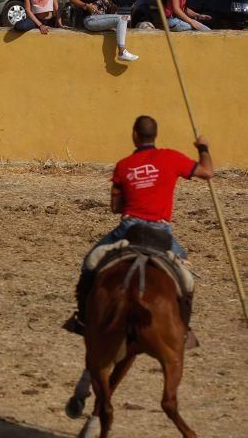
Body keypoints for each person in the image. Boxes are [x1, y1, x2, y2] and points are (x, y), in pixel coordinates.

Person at [65, 115, 213, 344]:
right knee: (186, 278)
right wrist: (203, 147)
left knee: (89, 262)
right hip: (161, 233)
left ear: (134, 135)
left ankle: (83, 320)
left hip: (129, 229)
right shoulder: (171, 157)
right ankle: (184, 328)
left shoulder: (123, 165)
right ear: (155, 135)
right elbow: (207, 172)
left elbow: (116, 207)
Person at [70, 0, 138, 62]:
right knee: (122, 18)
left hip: (100, 18)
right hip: (90, 19)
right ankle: (121, 52)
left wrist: (110, 5)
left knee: (126, 18)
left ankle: (122, 51)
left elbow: (109, 6)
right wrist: (86, 5)